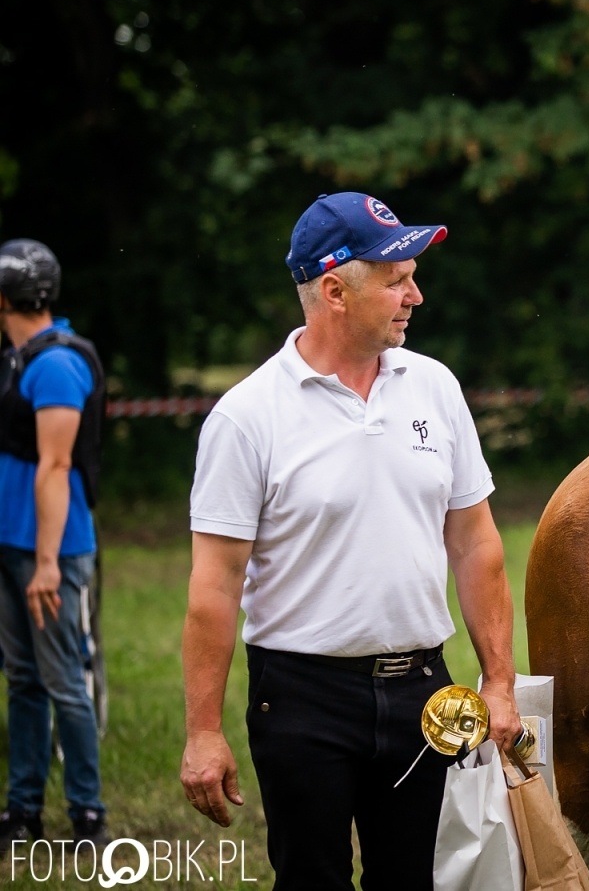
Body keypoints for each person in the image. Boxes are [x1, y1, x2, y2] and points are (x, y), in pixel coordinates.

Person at [181, 193, 522, 890]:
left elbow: (475, 542)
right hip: (301, 696)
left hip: (426, 692)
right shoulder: (247, 417)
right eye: (396, 279)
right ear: (334, 290)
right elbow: (214, 587)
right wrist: (202, 731)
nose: (415, 295)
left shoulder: (435, 387)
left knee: (414, 881)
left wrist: (499, 680)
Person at [0, 239, 109, 848]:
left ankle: (87, 815)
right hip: (12, 544)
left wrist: (45, 563)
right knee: (23, 679)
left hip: (53, 554)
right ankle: (23, 811)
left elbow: (56, 464)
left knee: (64, 680)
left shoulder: (56, 365)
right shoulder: (18, 359)